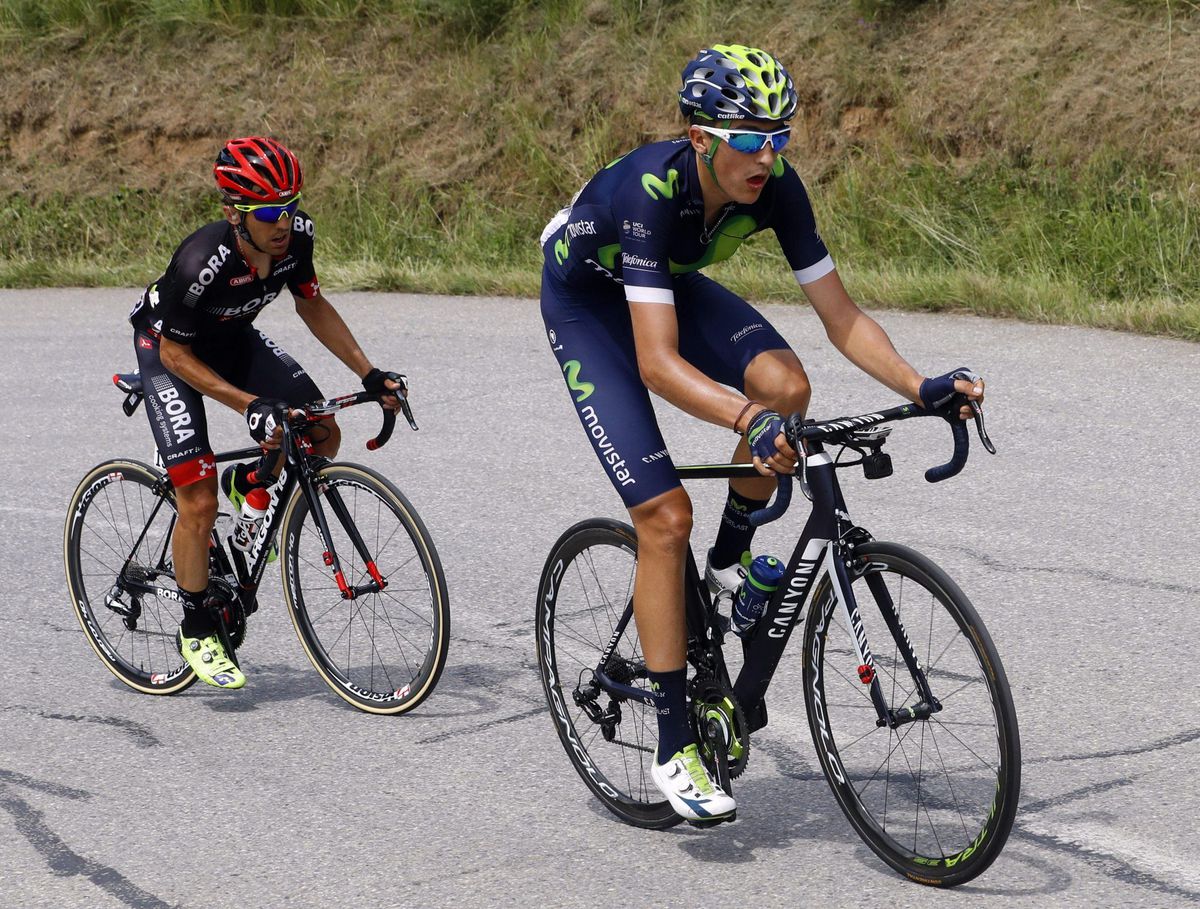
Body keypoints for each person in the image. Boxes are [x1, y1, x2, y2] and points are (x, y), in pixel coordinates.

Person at [539, 44, 985, 824]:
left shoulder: (774, 185)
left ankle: (731, 563)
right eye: (750, 137)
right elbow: (657, 362)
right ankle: (675, 744)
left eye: (781, 135)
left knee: (788, 383)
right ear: (702, 136)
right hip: (588, 307)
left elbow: (841, 318)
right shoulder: (650, 189)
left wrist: (922, 386)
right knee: (665, 515)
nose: (769, 154)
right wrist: (750, 420)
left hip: (660, 282)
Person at [128, 135, 405, 690]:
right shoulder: (200, 262)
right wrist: (249, 405)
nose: (285, 222)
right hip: (169, 354)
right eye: (271, 212)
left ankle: (252, 481)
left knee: (320, 432)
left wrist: (368, 374)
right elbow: (175, 353)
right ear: (234, 213)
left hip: (233, 340)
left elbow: (311, 303)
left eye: (292, 206)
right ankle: (197, 623)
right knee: (198, 497)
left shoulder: (295, 239)